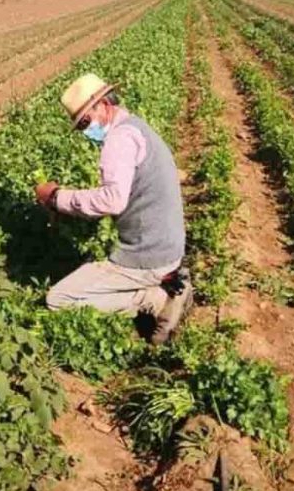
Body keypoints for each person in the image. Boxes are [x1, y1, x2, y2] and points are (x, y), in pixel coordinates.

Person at [34, 73, 192, 344]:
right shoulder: (136, 127)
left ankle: (157, 299)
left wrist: (56, 197)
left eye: (86, 121)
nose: (86, 131)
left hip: (149, 256)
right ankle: (160, 283)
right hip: (168, 248)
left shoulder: (119, 140)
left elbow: (112, 200)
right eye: (81, 126)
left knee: (58, 299)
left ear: (104, 105)